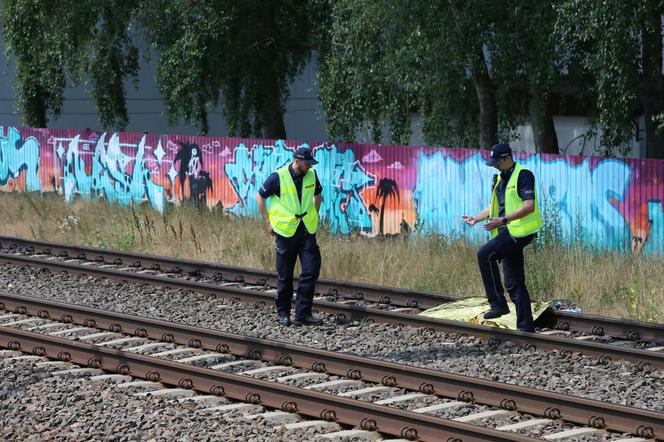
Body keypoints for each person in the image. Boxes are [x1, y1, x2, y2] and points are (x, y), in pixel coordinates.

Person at [462, 143, 543, 332]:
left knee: (485, 255)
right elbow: (494, 207)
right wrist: (476, 217)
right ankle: (526, 329)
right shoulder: (499, 178)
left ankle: (498, 304)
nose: (495, 166)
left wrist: (504, 220)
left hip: (519, 232)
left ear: (508, 158)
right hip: (507, 230)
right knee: (514, 282)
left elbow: (529, 205)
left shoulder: (524, 175)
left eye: (498, 162)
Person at [256, 147, 323, 326]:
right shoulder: (278, 177)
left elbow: (318, 195)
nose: (309, 166)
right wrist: (267, 222)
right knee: (285, 275)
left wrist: (315, 214)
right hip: (285, 232)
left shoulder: (311, 175)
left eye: (311, 163)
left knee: (310, 270)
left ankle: (303, 313)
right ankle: (283, 313)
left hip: (307, 229)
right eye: (307, 163)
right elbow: (259, 197)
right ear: (297, 161)